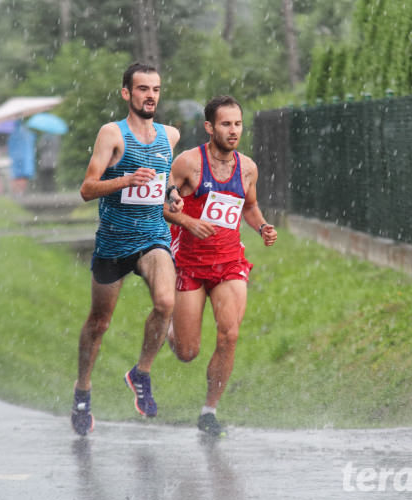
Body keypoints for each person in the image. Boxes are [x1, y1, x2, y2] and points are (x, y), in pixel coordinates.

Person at [71, 62, 182, 436]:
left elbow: (164, 183)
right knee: (99, 323)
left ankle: (141, 373)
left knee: (166, 303)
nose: (150, 95)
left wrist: (173, 195)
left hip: (153, 237)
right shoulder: (111, 134)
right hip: (115, 242)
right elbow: (87, 189)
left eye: (156, 89)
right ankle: (83, 389)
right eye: (142, 89)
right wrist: (124, 180)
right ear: (126, 93)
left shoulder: (171, 135)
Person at [164, 95, 277, 437]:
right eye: (226, 124)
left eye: (238, 124)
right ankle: (170, 326)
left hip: (229, 263)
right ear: (209, 127)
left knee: (229, 334)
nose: (233, 131)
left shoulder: (248, 168)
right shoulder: (188, 164)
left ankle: (209, 411)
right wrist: (187, 221)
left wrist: (262, 227)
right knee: (187, 351)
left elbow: (249, 206)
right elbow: (164, 206)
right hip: (189, 264)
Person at [7, 122, 36, 196]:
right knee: (23, 176)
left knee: (16, 176)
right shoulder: (27, 133)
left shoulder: (13, 134)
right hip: (26, 158)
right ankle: (21, 192)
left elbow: (10, 146)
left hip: (15, 158)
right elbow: (32, 141)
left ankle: (16, 192)